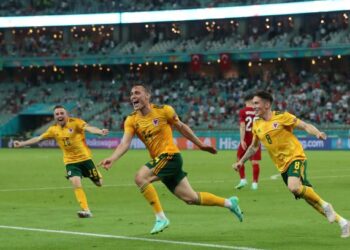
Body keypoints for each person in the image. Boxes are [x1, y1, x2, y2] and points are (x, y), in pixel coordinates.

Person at [99, 84, 243, 234]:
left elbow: (181, 127)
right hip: (161, 161)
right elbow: (125, 143)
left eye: (137, 93)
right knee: (191, 198)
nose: (133, 96)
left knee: (140, 178)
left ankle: (161, 218)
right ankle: (229, 203)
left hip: (170, 156)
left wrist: (200, 145)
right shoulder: (131, 120)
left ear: (147, 96)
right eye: (131, 94)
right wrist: (112, 158)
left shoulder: (164, 111)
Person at [233, 90, 349, 238]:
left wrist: (317, 133)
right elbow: (254, 147)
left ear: (267, 104)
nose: (253, 106)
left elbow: (305, 125)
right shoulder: (257, 124)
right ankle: (343, 222)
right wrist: (241, 161)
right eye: (253, 104)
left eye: (256, 103)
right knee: (308, 198)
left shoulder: (282, 117)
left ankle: (327, 206)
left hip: (295, 157)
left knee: (294, 187)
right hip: (282, 166)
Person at [14, 105, 109, 218]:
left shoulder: (76, 122)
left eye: (61, 113)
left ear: (67, 114)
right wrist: (22, 144)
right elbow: (38, 138)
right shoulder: (53, 130)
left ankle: (96, 173)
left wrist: (99, 131)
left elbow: (89, 128)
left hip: (85, 159)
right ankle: (86, 210)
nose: (59, 115)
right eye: (57, 114)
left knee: (99, 183)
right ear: (54, 117)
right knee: (75, 183)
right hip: (70, 162)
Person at [235, 94, 261, 190]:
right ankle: (255, 183)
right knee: (255, 162)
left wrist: (242, 140)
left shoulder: (243, 112)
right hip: (256, 138)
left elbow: (242, 126)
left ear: (246, 101)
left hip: (246, 139)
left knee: (239, 159)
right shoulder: (258, 112)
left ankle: (243, 179)